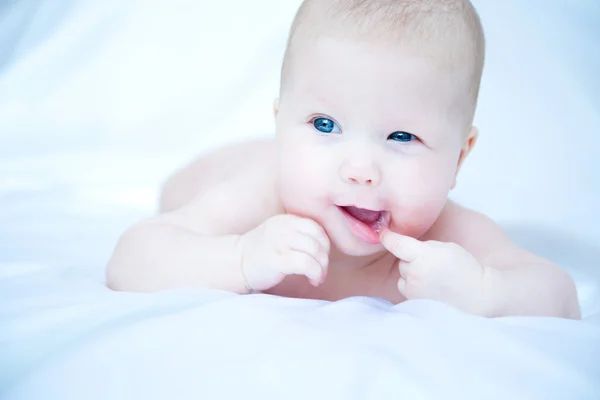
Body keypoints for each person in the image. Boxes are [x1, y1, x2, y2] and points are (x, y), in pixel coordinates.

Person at [106, 0, 580, 319]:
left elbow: (559, 296)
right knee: (177, 191)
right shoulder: (260, 201)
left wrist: (483, 291)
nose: (360, 170)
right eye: (324, 125)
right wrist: (239, 257)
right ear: (280, 122)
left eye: (401, 136)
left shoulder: (449, 238)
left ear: (459, 159)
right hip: (211, 172)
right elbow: (132, 261)